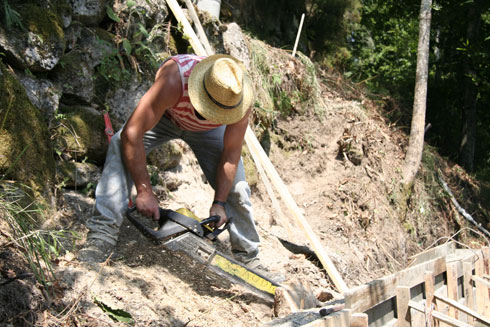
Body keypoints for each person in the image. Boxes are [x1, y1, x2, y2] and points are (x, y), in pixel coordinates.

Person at [79, 54, 262, 269]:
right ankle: (102, 233)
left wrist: (219, 203)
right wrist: (144, 190)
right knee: (121, 144)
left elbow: (231, 154)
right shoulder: (175, 79)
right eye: (210, 107)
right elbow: (132, 133)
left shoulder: (238, 98)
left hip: (209, 132)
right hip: (165, 117)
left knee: (238, 188)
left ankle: (248, 256)